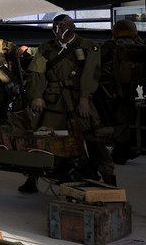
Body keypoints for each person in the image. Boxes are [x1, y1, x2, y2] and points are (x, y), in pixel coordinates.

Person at [17, 13, 109, 192]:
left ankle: (108, 178)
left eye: (63, 24)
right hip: (53, 99)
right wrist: (37, 95)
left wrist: (84, 98)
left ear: (72, 26)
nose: (59, 28)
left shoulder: (88, 46)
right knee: (42, 137)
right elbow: (37, 73)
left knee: (94, 138)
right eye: (56, 24)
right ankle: (33, 177)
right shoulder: (46, 48)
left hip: (78, 99)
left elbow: (91, 74)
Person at [97, 18, 146, 165]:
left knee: (112, 120)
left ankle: (119, 152)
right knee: (124, 119)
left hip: (109, 90)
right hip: (130, 88)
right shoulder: (139, 45)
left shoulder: (110, 46)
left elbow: (94, 63)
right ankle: (123, 149)